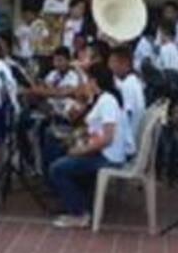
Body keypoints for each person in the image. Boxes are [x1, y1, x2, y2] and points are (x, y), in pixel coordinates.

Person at [48, 61, 130, 228]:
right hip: (103, 151)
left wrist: (82, 150)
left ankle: (79, 213)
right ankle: (76, 202)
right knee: (62, 151)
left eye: (87, 80)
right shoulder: (102, 99)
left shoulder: (107, 101)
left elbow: (107, 137)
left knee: (58, 168)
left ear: (94, 81)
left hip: (108, 156)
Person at [110, 46, 145, 159]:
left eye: (113, 62)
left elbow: (127, 116)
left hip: (126, 146)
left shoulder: (128, 86)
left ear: (124, 63)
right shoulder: (133, 82)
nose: (110, 66)